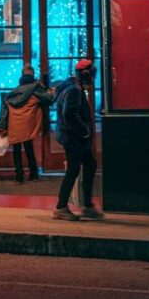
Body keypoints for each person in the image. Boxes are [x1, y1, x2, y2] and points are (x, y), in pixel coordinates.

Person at [52, 57, 104, 221]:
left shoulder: (70, 87)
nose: (93, 79)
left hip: (73, 137)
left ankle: (87, 205)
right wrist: (84, 130)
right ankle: (61, 207)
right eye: (92, 75)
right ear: (86, 74)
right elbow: (70, 113)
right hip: (74, 138)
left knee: (89, 165)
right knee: (74, 169)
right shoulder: (75, 89)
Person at [0, 63, 52, 182]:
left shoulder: (15, 91)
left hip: (14, 124)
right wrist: (50, 91)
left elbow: (5, 106)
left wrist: (2, 126)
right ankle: (33, 173)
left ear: (22, 75)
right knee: (29, 148)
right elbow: (48, 99)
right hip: (28, 124)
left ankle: (19, 174)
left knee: (16, 149)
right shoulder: (36, 88)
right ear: (32, 74)